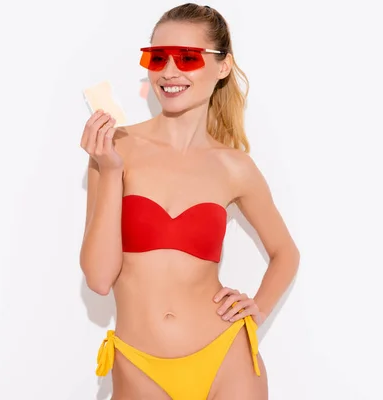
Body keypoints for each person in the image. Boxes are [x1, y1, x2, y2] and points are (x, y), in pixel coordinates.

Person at [79, 3, 300, 399]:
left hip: (226, 359)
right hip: (139, 367)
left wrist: (258, 307)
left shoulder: (234, 167)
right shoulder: (115, 149)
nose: (169, 70)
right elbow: (98, 279)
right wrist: (110, 171)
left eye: (188, 57)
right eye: (158, 56)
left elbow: (285, 252)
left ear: (222, 66)